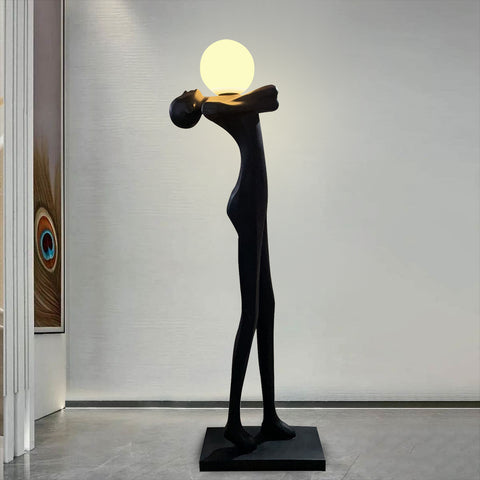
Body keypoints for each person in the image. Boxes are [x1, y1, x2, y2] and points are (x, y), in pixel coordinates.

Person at [170, 85, 295, 453]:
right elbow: (270, 97)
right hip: (247, 205)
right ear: (190, 107)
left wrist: (245, 100)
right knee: (250, 312)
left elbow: (267, 97)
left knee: (267, 308)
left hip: (256, 203)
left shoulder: (223, 103)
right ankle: (233, 422)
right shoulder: (213, 106)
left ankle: (269, 417)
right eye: (184, 95)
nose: (187, 88)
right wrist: (244, 100)